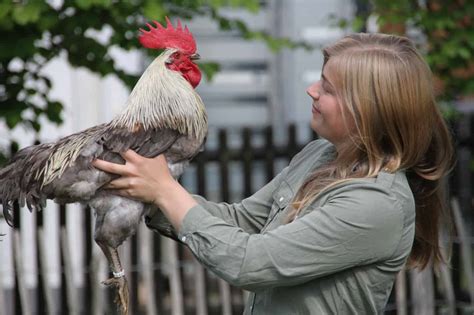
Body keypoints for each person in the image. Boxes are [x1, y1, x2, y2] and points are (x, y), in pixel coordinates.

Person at [92, 33, 454, 314]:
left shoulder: (375, 203)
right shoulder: (320, 156)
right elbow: (243, 221)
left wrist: (166, 192)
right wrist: (142, 193)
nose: (311, 90)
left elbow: (251, 261)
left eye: (327, 88)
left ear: (368, 112)